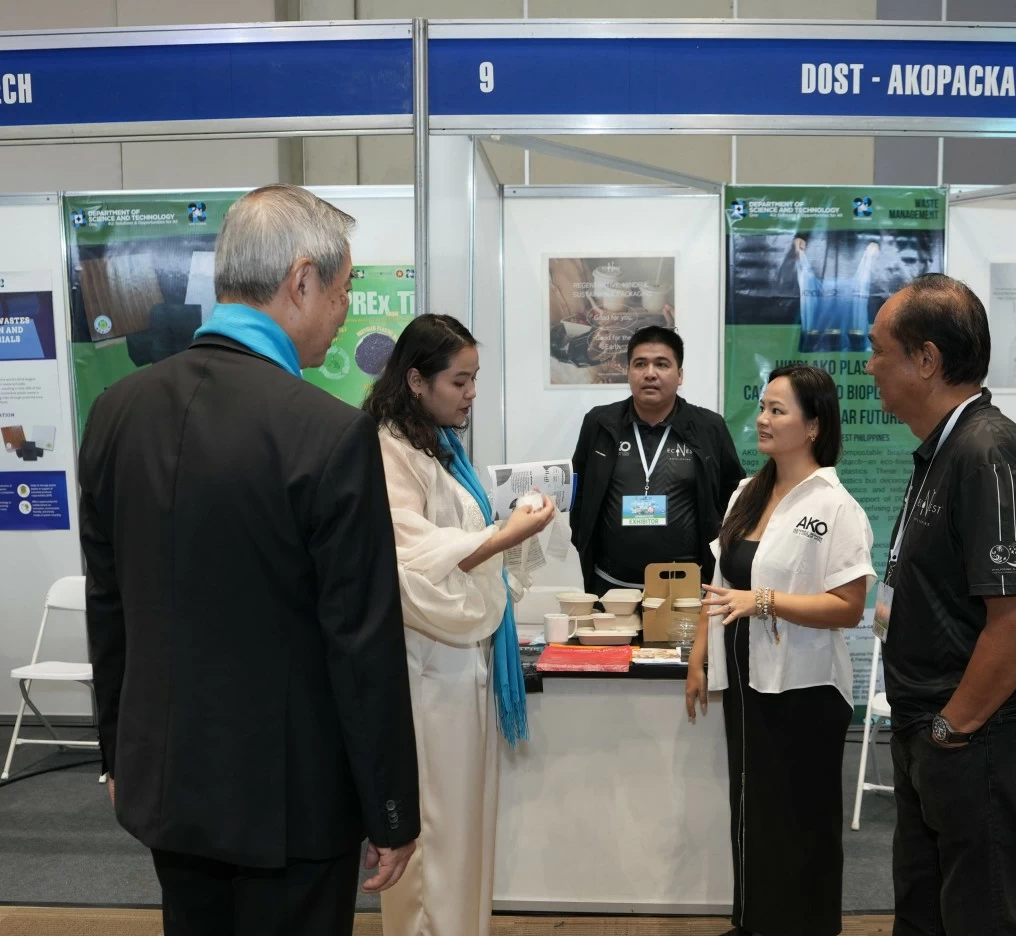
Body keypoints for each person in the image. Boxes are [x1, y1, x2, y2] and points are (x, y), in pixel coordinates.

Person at [78, 184, 420, 936]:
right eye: (343, 289)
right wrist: (391, 808)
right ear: (301, 281)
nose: (343, 312)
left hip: (166, 784)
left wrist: (118, 756)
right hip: (293, 803)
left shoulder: (115, 412)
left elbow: (110, 605)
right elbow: (360, 641)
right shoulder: (328, 433)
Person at [865, 273, 1016, 936]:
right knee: (926, 911)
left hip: (978, 735)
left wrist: (951, 730)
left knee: (981, 917)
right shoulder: (944, 449)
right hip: (935, 727)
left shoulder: (987, 453)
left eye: (879, 351)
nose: (869, 366)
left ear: (926, 359)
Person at [363, 314, 555, 936]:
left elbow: (461, 539)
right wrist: (505, 535)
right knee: (436, 825)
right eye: (459, 381)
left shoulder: (437, 444)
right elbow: (411, 558)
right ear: (416, 380)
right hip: (425, 665)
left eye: (475, 379)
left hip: (461, 659)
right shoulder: (390, 448)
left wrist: (508, 529)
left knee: (465, 822)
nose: (471, 393)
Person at [685, 364, 876, 936]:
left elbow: (848, 607)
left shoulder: (837, 507)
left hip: (805, 685)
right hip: (746, 677)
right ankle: (753, 921)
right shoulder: (746, 493)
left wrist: (764, 601)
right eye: (762, 408)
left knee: (801, 816)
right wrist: (698, 656)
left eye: (777, 410)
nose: (762, 420)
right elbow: (719, 584)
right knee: (752, 807)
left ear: (813, 425)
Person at [570, 325, 744, 597]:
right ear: (628, 371)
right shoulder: (599, 423)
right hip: (611, 587)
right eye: (640, 364)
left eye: (662, 364)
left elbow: (732, 499)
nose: (650, 373)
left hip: (685, 589)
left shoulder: (709, 427)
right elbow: (578, 494)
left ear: (680, 375)